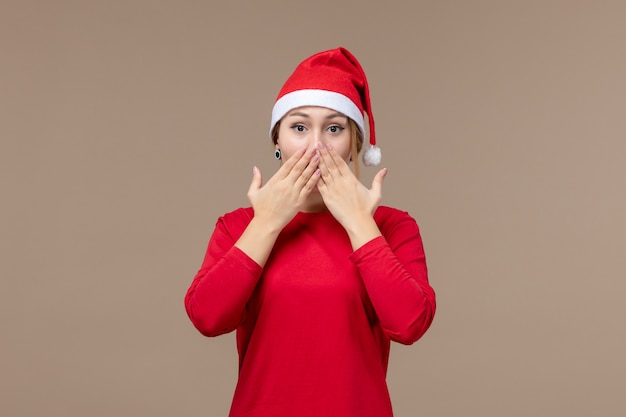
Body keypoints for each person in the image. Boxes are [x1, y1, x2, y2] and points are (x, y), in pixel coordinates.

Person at [184, 46, 436, 417]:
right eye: (299, 127)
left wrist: (359, 224)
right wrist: (268, 222)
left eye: (334, 128)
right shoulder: (238, 226)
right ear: (277, 141)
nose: (316, 146)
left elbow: (410, 324)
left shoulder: (392, 227)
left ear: (354, 144)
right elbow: (207, 317)